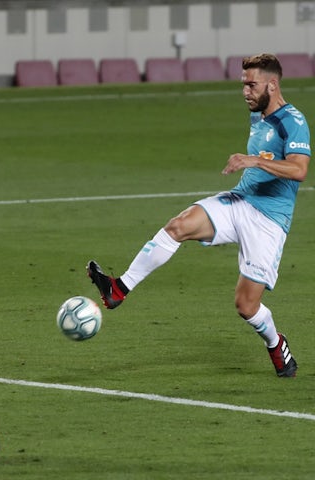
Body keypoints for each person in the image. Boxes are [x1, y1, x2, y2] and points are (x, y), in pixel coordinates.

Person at [87, 53, 310, 378]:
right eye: (243, 85)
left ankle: (276, 345)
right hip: (240, 201)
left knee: (246, 306)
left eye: (252, 84)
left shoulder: (293, 121)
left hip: (269, 222)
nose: (245, 91)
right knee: (178, 226)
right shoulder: (259, 116)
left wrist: (254, 161)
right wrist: (253, 165)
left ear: (272, 85)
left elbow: (299, 170)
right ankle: (118, 289)